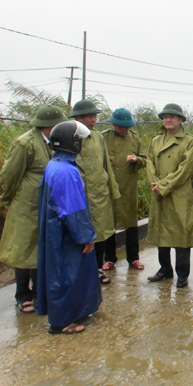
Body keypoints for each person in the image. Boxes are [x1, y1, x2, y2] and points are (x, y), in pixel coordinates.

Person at [0, 106, 66, 314]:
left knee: (40, 247)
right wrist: (10, 197)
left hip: (45, 202)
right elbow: (9, 175)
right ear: (49, 126)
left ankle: (39, 292)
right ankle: (22, 294)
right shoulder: (25, 144)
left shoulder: (53, 143)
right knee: (23, 248)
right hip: (26, 204)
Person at [37, 120, 102, 335]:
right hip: (66, 233)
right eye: (80, 141)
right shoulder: (67, 171)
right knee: (68, 274)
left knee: (59, 271)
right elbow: (73, 210)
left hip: (54, 229)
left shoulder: (53, 164)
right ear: (72, 143)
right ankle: (62, 321)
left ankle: (73, 312)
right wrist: (86, 237)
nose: (82, 145)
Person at [146, 103, 193, 288]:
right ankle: (165, 269)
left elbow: (185, 169)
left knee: (181, 233)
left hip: (178, 194)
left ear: (180, 120)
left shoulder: (189, 141)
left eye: (172, 116)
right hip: (159, 193)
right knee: (161, 231)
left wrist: (163, 185)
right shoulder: (156, 141)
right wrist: (155, 183)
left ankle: (182, 273)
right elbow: (149, 163)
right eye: (165, 116)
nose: (168, 119)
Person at [69, 99, 121, 285]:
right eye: (91, 116)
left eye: (95, 116)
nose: (94, 119)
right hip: (79, 193)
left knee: (100, 231)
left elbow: (106, 163)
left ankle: (97, 268)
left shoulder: (97, 136)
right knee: (81, 231)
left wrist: (112, 189)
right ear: (79, 117)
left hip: (99, 192)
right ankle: (81, 270)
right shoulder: (70, 136)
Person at [102, 108, 147, 272]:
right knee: (108, 223)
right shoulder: (103, 137)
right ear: (114, 124)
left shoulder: (135, 139)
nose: (124, 130)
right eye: (121, 127)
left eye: (127, 127)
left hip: (128, 187)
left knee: (131, 223)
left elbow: (145, 159)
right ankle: (109, 258)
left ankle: (133, 258)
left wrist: (136, 160)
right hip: (108, 187)